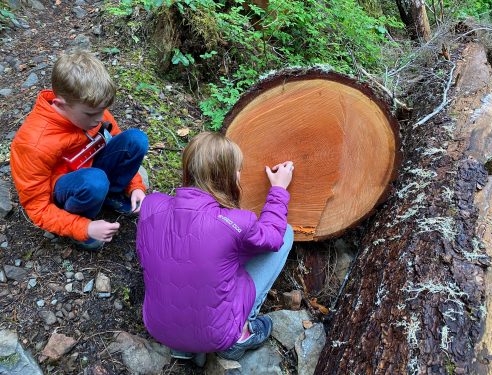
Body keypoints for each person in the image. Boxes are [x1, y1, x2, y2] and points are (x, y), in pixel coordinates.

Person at [136, 132, 294, 365]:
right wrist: (279, 190)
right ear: (229, 176)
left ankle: (185, 348)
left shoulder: (151, 205)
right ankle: (240, 334)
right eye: (238, 170)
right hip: (218, 335)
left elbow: (146, 257)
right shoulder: (238, 222)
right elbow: (273, 237)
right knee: (286, 233)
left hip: (158, 327)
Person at [10, 50, 148, 250]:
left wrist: (135, 186)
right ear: (60, 105)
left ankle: (110, 194)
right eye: (93, 113)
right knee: (95, 181)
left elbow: (116, 142)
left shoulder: (90, 109)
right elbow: (37, 208)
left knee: (136, 140)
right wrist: (85, 228)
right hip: (69, 188)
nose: (101, 118)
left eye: (103, 110)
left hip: (92, 168)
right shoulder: (33, 143)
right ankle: (81, 218)